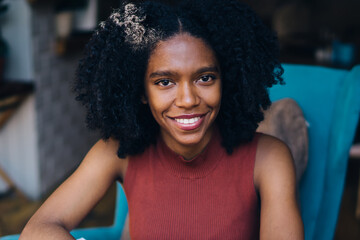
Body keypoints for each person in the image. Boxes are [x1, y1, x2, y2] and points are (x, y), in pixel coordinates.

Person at [20, 0, 304, 239]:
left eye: (205, 78)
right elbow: (38, 228)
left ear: (226, 80)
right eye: (165, 82)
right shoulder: (117, 153)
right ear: (141, 91)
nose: (188, 100)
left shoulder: (268, 158)